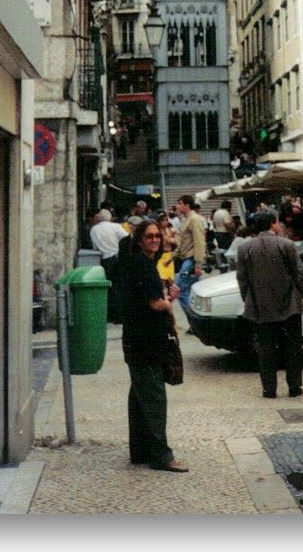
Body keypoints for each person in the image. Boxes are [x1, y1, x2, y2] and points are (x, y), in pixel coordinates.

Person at [117, 220, 188, 472]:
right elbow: (154, 304)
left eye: (158, 236)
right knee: (155, 398)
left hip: (136, 341)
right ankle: (161, 456)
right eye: (149, 236)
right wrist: (168, 302)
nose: (155, 240)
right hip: (146, 343)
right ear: (139, 240)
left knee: (139, 397)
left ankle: (140, 451)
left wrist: (166, 297)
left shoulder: (136, 263)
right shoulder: (143, 266)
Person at [236, 210, 303, 399]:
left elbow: (242, 279)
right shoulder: (287, 245)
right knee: (292, 347)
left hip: (260, 306)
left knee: (266, 350)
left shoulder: (244, 249)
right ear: (273, 224)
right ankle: (294, 386)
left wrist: (249, 299)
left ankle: (269, 388)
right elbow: (298, 273)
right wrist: (299, 294)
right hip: (289, 305)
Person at [90, 208, 128, 323]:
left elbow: (95, 247)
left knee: (109, 287)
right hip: (117, 257)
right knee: (119, 286)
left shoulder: (93, 229)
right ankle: (119, 315)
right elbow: (127, 238)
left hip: (104, 260)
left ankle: (110, 314)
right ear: (110, 217)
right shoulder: (116, 226)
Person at [175, 195, 207, 315]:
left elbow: (199, 241)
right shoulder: (187, 219)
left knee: (180, 290)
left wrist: (198, 263)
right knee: (191, 291)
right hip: (187, 258)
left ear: (187, 205)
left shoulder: (194, 219)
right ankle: (195, 318)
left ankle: (193, 318)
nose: (177, 206)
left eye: (180, 203)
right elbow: (183, 241)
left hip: (191, 259)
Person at [156, 212, 178, 284]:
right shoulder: (157, 232)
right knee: (161, 278)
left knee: (170, 280)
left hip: (169, 255)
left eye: (166, 220)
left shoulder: (171, 230)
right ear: (159, 221)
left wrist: (172, 239)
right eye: (163, 220)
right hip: (160, 256)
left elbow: (177, 241)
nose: (165, 222)